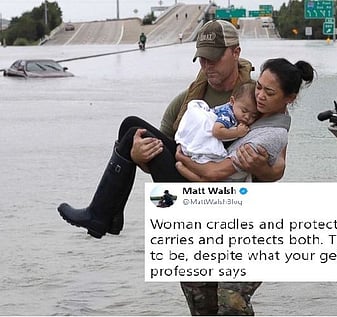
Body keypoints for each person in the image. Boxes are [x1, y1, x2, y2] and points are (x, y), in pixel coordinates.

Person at [57, 19, 285, 315]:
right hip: (188, 211)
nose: (207, 65)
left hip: (234, 213)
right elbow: (158, 160)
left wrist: (257, 168)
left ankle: (104, 217)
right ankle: (105, 216)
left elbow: (278, 166)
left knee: (231, 306)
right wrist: (139, 156)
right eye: (201, 58)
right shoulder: (188, 99)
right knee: (202, 307)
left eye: (214, 58)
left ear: (236, 52)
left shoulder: (258, 98)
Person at [175, 57, 315, 315]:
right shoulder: (248, 102)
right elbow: (278, 167)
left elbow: (217, 173)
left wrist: (182, 159)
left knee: (232, 302)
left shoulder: (273, 129)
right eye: (259, 86)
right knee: (201, 299)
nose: (259, 96)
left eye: (269, 92)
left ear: (289, 98)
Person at [175, 81, 259, 171]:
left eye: (253, 115)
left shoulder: (237, 113)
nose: (247, 117)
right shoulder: (228, 114)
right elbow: (217, 131)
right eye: (244, 111)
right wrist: (237, 132)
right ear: (232, 101)